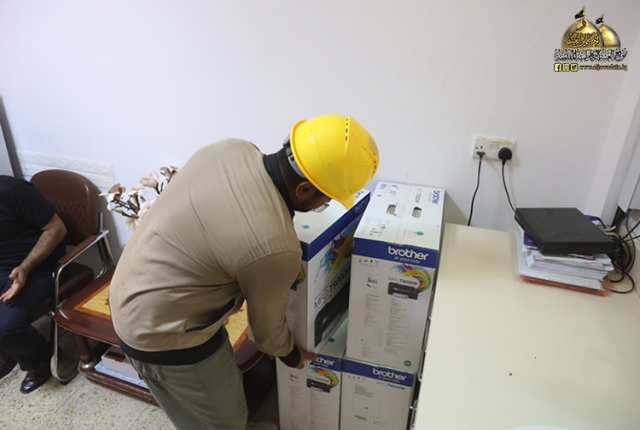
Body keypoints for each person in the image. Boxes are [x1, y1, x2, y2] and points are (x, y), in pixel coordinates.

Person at [109, 114, 379, 430]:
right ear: (304, 189)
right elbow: (266, 334)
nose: (323, 206)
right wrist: (293, 355)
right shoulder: (275, 247)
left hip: (131, 285)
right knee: (226, 419)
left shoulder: (232, 149)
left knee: (204, 401)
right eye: (325, 200)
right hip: (163, 333)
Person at [0, 175, 67, 393]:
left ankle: (39, 358)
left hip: (37, 267)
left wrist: (25, 268)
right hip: (3, 266)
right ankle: (7, 351)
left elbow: (56, 229)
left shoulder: (13, 190)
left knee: (5, 328)